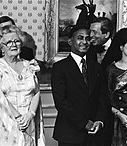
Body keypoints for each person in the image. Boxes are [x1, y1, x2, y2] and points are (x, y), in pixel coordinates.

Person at [0, 27, 45, 145]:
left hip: (29, 120)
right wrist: (18, 118)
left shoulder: (29, 65)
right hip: (6, 121)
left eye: (17, 41)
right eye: (9, 42)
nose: (14, 45)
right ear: (1, 47)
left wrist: (30, 115)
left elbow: (36, 91)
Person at [51, 25, 109, 146]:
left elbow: (103, 97)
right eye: (80, 38)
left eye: (87, 39)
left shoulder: (97, 68)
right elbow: (61, 102)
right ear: (70, 41)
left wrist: (99, 121)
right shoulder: (60, 68)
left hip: (95, 134)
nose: (84, 42)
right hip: (69, 134)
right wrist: (85, 123)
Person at [0, 15, 34, 106]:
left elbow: (33, 85)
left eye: (10, 28)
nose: (8, 31)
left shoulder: (27, 53)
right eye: (3, 29)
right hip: (2, 107)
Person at [87, 16, 115, 146]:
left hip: (115, 111)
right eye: (90, 31)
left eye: (95, 32)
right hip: (93, 111)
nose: (90, 35)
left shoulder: (119, 51)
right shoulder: (87, 50)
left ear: (106, 33)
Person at [106, 28, 127, 146]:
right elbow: (106, 99)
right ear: (121, 47)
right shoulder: (111, 70)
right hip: (118, 119)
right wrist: (119, 114)